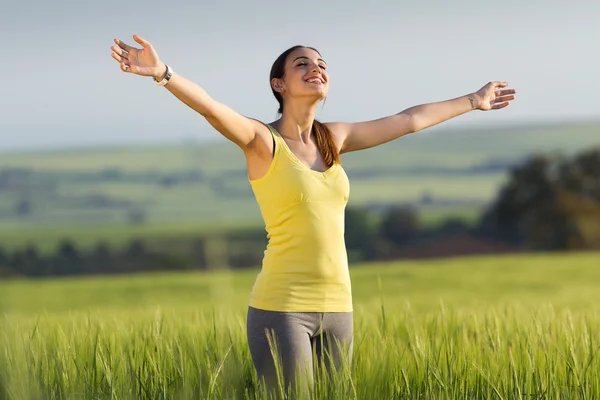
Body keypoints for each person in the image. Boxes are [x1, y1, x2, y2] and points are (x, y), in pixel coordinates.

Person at [110, 34, 516, 395]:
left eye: (321, 64)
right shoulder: (261, 141)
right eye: (301, 63)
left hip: (340, 307)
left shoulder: (333, 138)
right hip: (282, 308)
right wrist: (163, 73)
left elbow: (409, 120)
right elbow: (213, 110)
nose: (315, 69)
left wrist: (472, 101)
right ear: (279, 84)